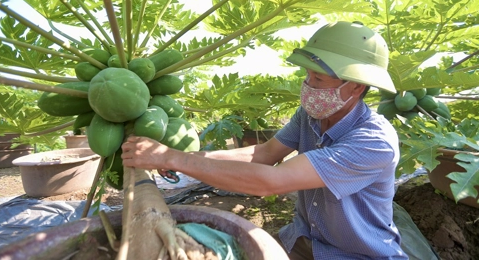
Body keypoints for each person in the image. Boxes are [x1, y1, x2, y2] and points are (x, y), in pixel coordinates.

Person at [121, 21, 409, 259]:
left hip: (357, 255)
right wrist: (179, 158)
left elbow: (270, 181)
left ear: (356, 87)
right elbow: (262, 155)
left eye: (318, 80)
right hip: (303, 242)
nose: (308, 86)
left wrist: (173, 158)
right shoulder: (309, 116)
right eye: (306, 76)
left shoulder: (373, 142)